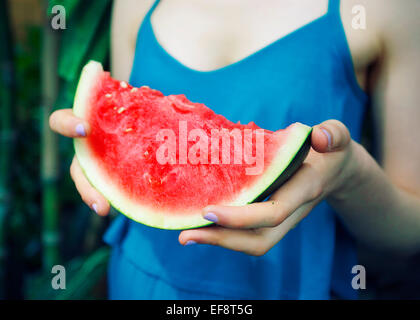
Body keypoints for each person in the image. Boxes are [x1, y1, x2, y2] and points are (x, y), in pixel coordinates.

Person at [49, 0, 420, 299]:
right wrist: (103, 148)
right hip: (141, 280)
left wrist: (350, 176)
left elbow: (410, 231)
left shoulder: (388, 8)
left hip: (292, 287)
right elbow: (131, 125)